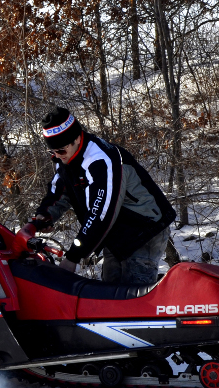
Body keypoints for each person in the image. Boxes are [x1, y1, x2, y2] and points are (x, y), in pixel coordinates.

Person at [17, 107, 176, 285]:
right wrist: (44, 216)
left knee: (134, 299)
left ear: (76, 138)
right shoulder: (65, 158)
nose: (57, 156)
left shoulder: (101, 160)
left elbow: (101, 213)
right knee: (109, 294)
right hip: (116, 232)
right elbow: (59, 192)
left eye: (60, 151)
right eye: (52, 152)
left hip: (144, 228)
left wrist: (72, 258)